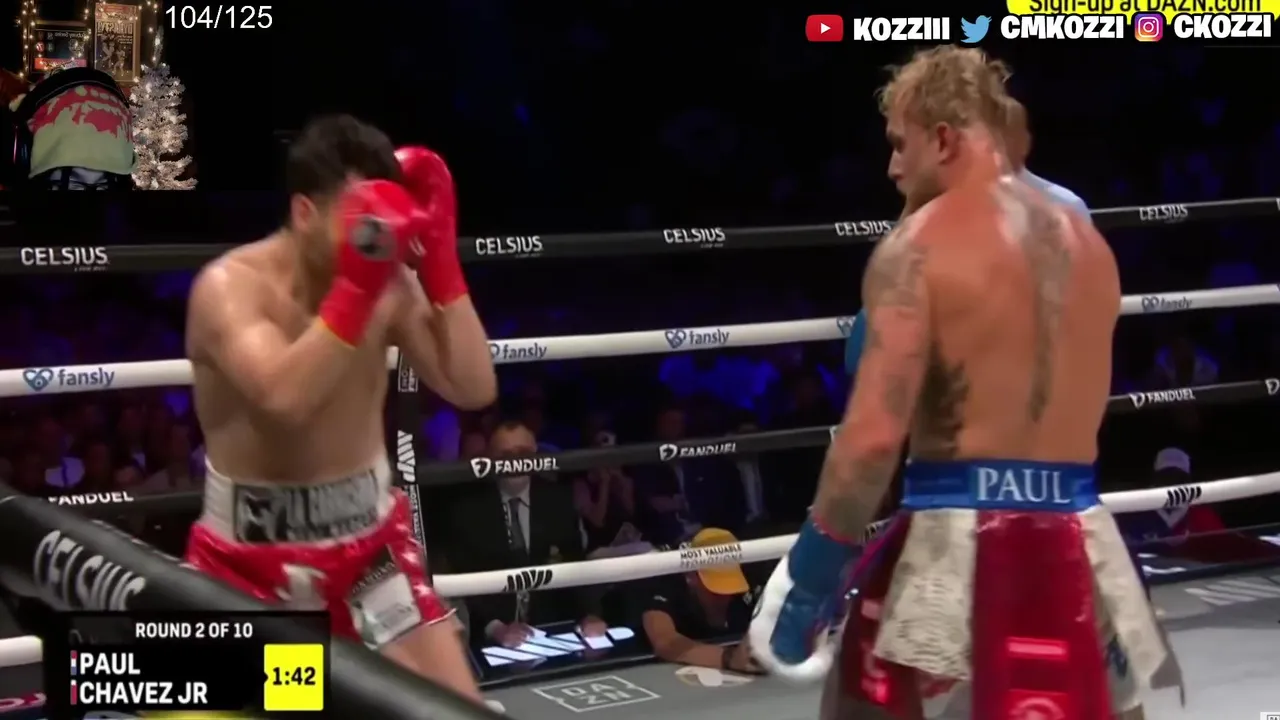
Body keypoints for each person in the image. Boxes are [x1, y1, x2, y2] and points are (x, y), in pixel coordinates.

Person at [749, 47, 1175, 720]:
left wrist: (811, 578)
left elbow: (871, 440)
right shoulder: (1087, 241)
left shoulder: (921, 245)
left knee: (860, 708)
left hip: (956, 540)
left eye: (900, 144)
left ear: (944, 139)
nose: (892, 168)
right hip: (1078, 531)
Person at [181, 114, 496, 704]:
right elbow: (284, 401)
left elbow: (473, 387)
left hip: (372, 554)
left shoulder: (390, 283)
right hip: (252, 566)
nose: (372, 233)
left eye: (382, 215)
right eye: (359, 216)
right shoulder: (230, 289)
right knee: (300, 706)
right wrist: (358, 289)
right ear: (305, 212)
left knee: (454, 712)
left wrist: (440, 264)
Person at [640, 528, 763, 675]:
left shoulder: (752, 580)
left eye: (730, 585)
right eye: (715, 589)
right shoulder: (666, 584)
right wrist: (729, 658)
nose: (724, 596)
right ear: (692, 576)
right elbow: (664, 641)